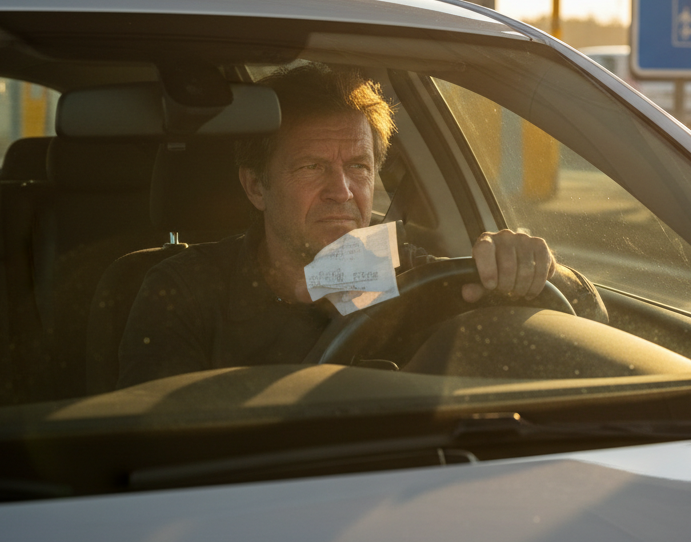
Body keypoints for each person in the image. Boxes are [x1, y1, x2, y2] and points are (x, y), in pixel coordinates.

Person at [116, 65, 605, 388]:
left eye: (359, 167)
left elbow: (588, 329)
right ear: (255, 188)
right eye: (311, 168)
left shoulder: (407, 273)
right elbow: (159, 451)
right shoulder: (183, 291)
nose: (343, 192)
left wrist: (529, 267)